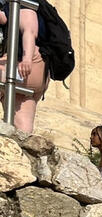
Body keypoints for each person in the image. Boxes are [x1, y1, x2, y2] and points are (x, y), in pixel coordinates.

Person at [0, 1, 49, 133]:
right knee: (22, 128)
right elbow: (3, 18)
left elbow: (30, 30)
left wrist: (27, 59)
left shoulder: (24, 3)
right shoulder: (9, 7)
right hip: (32, 77)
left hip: (27, 66)